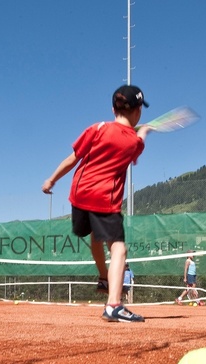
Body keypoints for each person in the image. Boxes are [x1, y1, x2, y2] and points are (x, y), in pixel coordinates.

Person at [42, 84, 152, 322]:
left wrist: (51, 179)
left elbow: (73, 158)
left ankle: (103, 276)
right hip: (104, 199)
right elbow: (136, 149)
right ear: (138, 112)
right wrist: (144, 132)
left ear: (113, 109)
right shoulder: (134, 142)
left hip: (79, 195)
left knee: (94, 235)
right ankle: (113, 305)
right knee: (119, 248)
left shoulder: (97, 128)